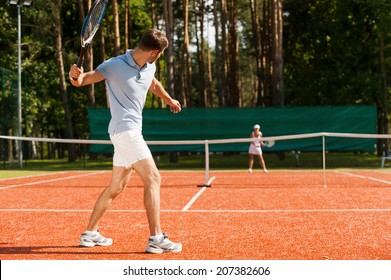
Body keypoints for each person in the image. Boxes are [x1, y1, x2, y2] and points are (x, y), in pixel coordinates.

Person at [69, 29, 182, 254]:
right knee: (153, 178)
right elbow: (82, 81)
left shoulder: (150, 67)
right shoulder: (115, 65)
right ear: (154, 52)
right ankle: (156, 238)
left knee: (116, 187)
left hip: (124, 133)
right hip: (126, 131)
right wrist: (74, 75)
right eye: (160, 53)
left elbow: (153, 84)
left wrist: (169, 99)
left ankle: (90, 234)